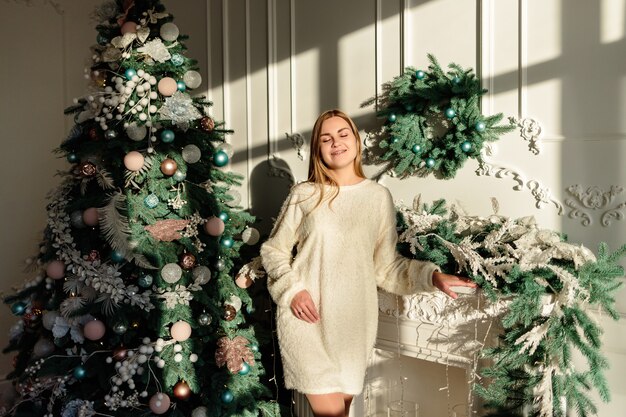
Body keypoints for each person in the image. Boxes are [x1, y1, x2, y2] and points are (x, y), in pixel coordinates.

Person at [260, 109, 477, 417]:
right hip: (306, 319)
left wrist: (432, 277)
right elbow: (273, 250)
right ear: (317, 150)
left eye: (342, 134)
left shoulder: (377, 197)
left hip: (353, 326)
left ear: (356, 142)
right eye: (326, 138)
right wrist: (293, 291)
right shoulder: (304, 194)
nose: (336, 143)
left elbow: (387, 267)